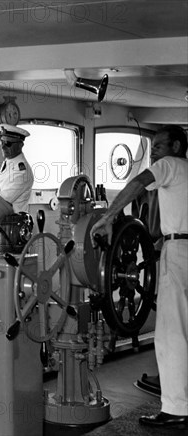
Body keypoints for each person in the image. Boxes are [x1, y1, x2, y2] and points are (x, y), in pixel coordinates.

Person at [90, 124, 188, 429]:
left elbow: (139, 183)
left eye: (157, 146)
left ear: (175, 146)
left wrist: (108, 217)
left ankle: (176, 408)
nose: (153, 152)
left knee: (171, 332)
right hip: (180, 244)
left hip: (180, 252)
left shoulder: (169, 164)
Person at [0, 124, 34, 212]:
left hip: (14, 222)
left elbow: (0, 201)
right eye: (2, 142)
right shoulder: (9, 161)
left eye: (8, 143)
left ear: (20, 145)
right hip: (2, 219)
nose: (3, 146)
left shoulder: (22, 173)